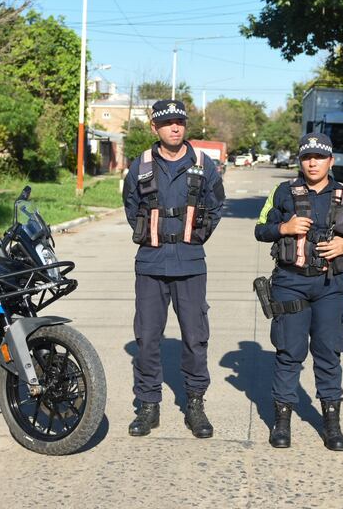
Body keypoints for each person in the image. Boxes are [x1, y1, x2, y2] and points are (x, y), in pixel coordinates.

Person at [253, 132, 343, 451]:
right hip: (290, 282)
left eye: (319, 157)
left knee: (328, 353)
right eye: (307, 157)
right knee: (289, 353)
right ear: (300, 161)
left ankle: (331, 424)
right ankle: (281, 422)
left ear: (330, 161)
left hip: (331, 285)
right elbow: (260, 229)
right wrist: (284, 228)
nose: (313, 162)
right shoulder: (282, 192)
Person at [123, 99, 225, 438]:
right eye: (167, 123)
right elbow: (130, 205)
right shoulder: (140, 166)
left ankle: (195, 403)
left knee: (195, 338)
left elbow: (216, 203)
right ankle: (148, 405)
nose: (175, 127)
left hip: (191, 262)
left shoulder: (203, 164)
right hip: (151, 262)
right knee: (148, 337)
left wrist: (197, 236)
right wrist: (154, 234)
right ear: (155, 128)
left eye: (180, 121)